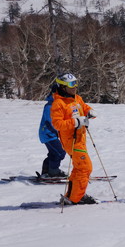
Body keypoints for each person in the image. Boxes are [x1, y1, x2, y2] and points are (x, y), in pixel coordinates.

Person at [51, 73, 97, 205]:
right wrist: (76, 122)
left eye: (76, 83)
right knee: (85, 168)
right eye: (71, 84)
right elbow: (57, 124)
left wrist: (89, 112)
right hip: (71, 141)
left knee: (79, 168)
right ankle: (75, 198)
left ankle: (74, 195)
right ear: (63, 86)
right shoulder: (58, 104)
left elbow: (83, 107)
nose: (75, 86)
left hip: (80, 139)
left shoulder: (77, 98)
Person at [38, 83, 67, 177]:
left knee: (54, 152)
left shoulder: (57, 105)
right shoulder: (50, 106)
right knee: (60, 152)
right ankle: (53, 171)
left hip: (51, 134)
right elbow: (52, 122)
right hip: (48, 134)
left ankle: (46, 169)